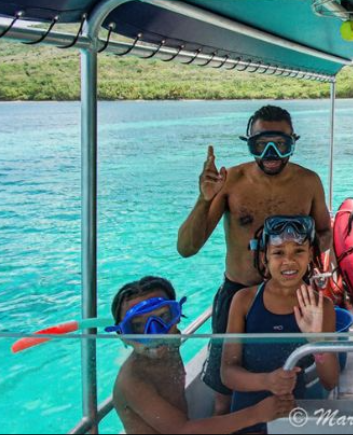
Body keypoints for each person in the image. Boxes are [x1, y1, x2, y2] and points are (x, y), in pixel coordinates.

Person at [177, 105, 332, 415]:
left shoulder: (308, 181)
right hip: (238, 294)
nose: (271, 152)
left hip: (292, 298)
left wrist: (300, 247)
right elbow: (187, 248)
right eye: (261, 144)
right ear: (249, 143)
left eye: (281, 143)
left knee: (293, 384)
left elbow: (326, 233)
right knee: (224, 395)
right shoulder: (231, 181)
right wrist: (203, 198)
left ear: (293, 142)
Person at [110, 276, 294, 434]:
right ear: (123, 337)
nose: (155, 333)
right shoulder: (133, 381)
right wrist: (256, 414)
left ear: (177, 316)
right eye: (137, 326)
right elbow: (182, 430)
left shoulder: (171, 349)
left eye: (164, 317)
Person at [221, 216, 339, 433]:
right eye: (278, 253)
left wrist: (318, 342)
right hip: (246, 419)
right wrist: (267, 381)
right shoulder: (244, 300)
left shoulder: (323, 306)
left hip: (291, 420)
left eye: (298, 251)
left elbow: (330, 381)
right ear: (264, 256)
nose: (289, 261)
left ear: (311, 254)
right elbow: (227, 372)